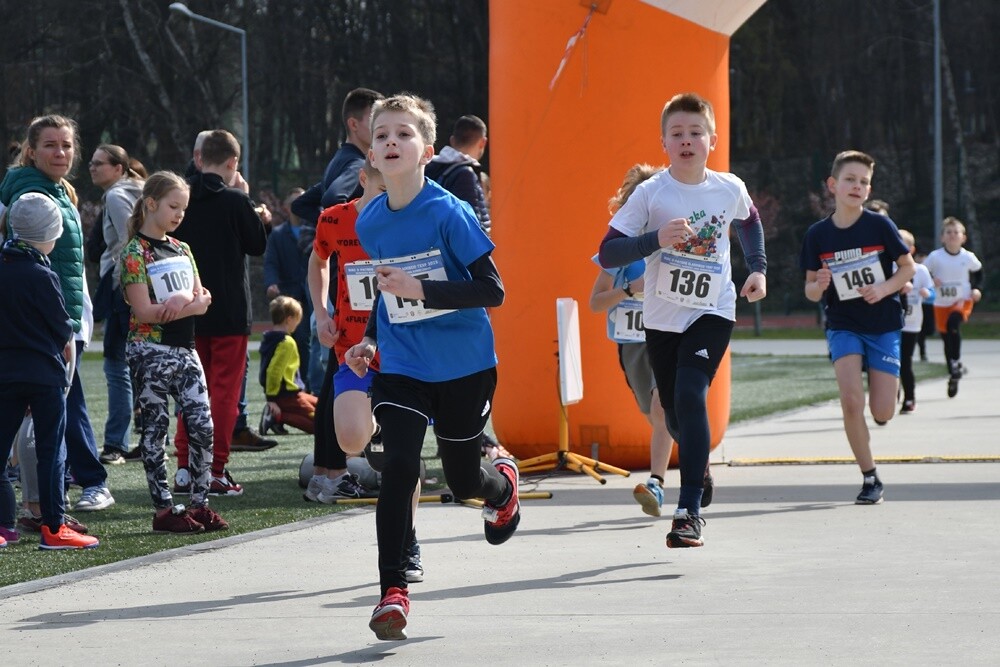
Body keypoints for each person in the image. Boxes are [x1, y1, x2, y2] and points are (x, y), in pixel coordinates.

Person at [346, 93, 519, 641]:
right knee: (398, 465)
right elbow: (385, 291)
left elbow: (493, 291)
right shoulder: (370, 220)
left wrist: (423, 288)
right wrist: (371, 339)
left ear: (426, 150)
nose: (391, 142)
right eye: (382, 135)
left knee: (464, 479)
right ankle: (391, 591)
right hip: (401, 366)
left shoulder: (449, 211)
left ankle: (501, 489)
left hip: (464, 366)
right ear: (371, 152)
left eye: (403, 134)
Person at [598, 93, 767, 548]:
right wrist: (654, 239)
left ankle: (688, 509)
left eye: (696, 133)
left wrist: (757, 268)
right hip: (662, 318)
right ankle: (701, 465)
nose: (687, 140)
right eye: (677, 134)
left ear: (712, 140)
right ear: (664, 142)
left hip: (713, 310)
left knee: (693, 395)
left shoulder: (729, 187)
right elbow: (609, 250)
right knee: (674, 416)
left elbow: (749, 222)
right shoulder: (650, 194)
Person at [308, 157, 422, 577]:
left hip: (404, 353)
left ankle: (407, 542)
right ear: (363, 180)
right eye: (381, 190)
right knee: (353, 441)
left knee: (402, 460)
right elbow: (318, 261)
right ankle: (374, 424)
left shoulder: (413, 218)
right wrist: (320, 311)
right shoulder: (334, 220)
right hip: (352, 349)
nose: (388, 201)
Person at [0, 114, 115, 514]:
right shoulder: (33, 194)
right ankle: (69, 493)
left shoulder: (56, 189)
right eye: (50, 145)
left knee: (55, 410)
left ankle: (39, 502)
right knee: (59, 410)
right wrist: (64, 327)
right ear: (31, 151)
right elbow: (35, 265)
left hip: (61, 318)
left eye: (66, 145)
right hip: (52, 323)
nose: (61, 152)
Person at [800, 150, 914, 505]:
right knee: (851, 402)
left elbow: (907, 268)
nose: (857, 186)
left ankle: (887, 389)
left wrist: (882, 288)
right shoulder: (818, 235)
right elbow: (809, 290)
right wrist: (819, 284)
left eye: (864, 182)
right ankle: (870, 477)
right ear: (833, 185)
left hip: (882, 325)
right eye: (850, 179)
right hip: (843, 324)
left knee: (881, 412)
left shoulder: (880, 226)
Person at [121, 171, 228, 533]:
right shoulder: (136, 252)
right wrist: (190, 307)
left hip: (185, 348)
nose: (180, 214)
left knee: (202, 425)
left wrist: (187, 304)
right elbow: (144, 312)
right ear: (151, 204)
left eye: (183, 207)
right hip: (149, 349)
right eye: (173, 206)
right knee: (156, 429)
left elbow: (203, 297)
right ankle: (164, 509)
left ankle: (200, 504)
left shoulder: (182, 248)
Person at [170, 129, 268, 497]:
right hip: (228, 309)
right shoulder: (234, 199)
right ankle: (214, 468)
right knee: (224, 392)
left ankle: (183, 467)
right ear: (232, 163)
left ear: (198, 159)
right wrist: (252, 207)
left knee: (189, 390)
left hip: (187, 307)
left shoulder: (180, 199)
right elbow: (256, 244)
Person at [0, 193, 99, 549]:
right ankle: (54, 528)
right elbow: (61, 328)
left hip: (5, 373)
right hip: (44, 376)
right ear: (51, 233)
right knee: (50, 451)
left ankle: (3, 527)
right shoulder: (43, 273)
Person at [588, 164, 680, 518]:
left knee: (662, 408)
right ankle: (690, 463)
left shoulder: (675, 238)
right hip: (633, 342)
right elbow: (595, 303)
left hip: (669, 335)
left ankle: (657, 482)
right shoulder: (619, 250)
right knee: (655, 413)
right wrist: (630, 288)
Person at [88, 143, 144, 464]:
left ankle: (115, 444)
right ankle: (151, 440)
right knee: (144, 365)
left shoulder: (115, 195)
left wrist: (129, 286)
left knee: (116, 365)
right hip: (142, 286)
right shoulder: (140, 190)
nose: (92, 168)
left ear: (119, 169)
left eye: (100, 163)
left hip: (125, 286)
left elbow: (129, 239)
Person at [291, 87, 385, 227]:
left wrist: (329, 225)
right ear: (353, 124)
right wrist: (355, 230)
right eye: (375, 119)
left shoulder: (338, 161)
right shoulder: (358, 164)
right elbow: (333, 198)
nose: (381, 126)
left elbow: (300, 204)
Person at [922, 216, 983, 398]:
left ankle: (955, 362)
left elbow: (979, 273)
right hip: (941, 302)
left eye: (956, 232)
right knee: (946, 336)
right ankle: (953, 372)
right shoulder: (935, 257)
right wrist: (932, 280)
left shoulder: (968, 257)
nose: (952, 235)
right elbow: (923, 273)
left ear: (963, 237)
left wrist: (977, 289)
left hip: (962, 299)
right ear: (942, 237)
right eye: (948, 232)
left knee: (953, 324)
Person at [263, 190, 312, 391]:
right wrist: (271, 283)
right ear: (286, 208)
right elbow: (271, 262)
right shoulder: (278, 234)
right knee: (295, 338)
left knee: (311, 339)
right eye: (295, 203)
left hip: (312, 291)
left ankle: (308, 384)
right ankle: (292, 382)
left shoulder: (315, 230)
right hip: (290, 294)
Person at [259, 296, 318, 435]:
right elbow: (274, 371)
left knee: (323, 407)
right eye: (297, 320)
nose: (297, 325)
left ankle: (279, 416)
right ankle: (277, 416)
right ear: (289, 319)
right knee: (319, 424)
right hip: (286, 396)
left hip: (293, 393)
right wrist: (271, 400)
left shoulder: (268, 338)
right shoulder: (287, 342)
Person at [424, 114, 491, 235]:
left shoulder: (429, 167)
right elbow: (471, 227)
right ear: (482, 142)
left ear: (452, 140)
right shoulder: (466, 174)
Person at [897, 229, 934, 413]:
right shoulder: (888, 267)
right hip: (891, 324)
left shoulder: (921, 270)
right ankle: (890, 392)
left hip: (911, 324)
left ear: (911, 249)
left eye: (902, 244)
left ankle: (909, 398)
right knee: (888, 361)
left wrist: (926, 293)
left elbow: (932, 293)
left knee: (905, 361)